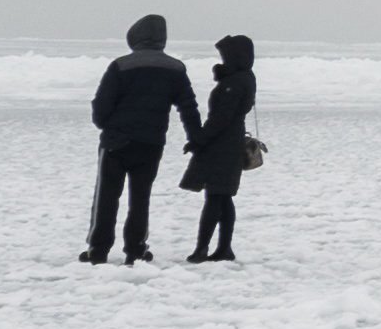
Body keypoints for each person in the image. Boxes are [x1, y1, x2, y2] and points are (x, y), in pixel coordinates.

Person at [87, 16, 193, 262]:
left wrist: (106, 126)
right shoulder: (175, 69)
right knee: (140, 198)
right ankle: (135, 249)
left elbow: (102, 105)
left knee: (106, 196)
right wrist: (195, 137)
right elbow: (188, 107)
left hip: (116, 142)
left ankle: (98, 250)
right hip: (151, 143)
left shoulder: (121, 66)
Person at [184, 34, 258, 262]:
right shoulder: (243, 78)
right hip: (229, 143)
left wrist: (199, 139)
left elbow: (221, 118)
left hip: (223, 146)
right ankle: (223, 248)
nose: (223, 60)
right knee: (223, 197)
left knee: (215, 197)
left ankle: (203, 248)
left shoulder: (235, 82)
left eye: (226, 56)